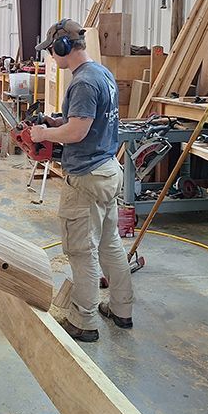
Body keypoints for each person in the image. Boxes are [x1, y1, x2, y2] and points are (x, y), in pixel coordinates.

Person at [31, 18, 134, 342]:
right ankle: (122, 309)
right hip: (106, 169)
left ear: (63, 47)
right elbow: (83, 119)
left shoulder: (83, 82)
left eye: (52, 51)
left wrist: (45, 132)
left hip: (86, 177)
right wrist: (56, 120)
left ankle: (83, 321)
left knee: (81, 251)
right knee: (109, 244)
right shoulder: (101, 74)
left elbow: (77, 132)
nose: (51, 57)